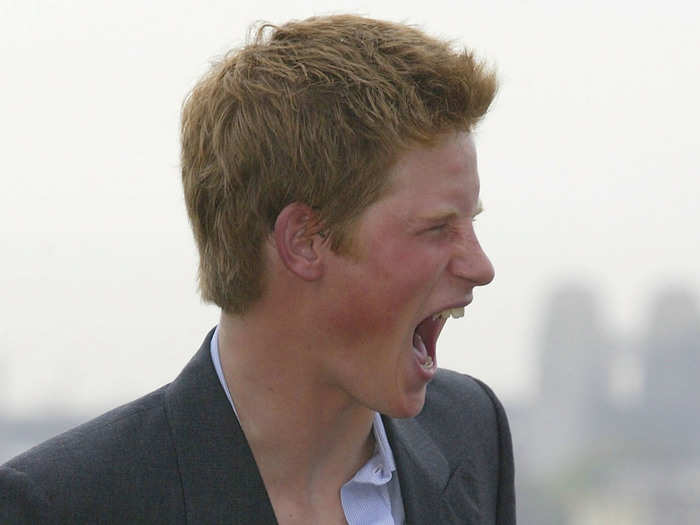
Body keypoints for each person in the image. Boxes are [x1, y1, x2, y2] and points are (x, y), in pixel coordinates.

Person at [0, 14, 515, 524]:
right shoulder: (61, 506)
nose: (481, 266)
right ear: (304, 241)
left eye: (471, 222)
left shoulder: (471, 430)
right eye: (436, 229)